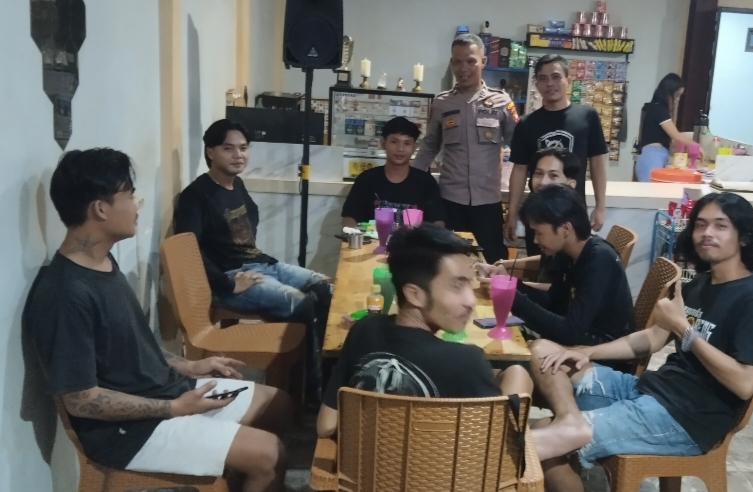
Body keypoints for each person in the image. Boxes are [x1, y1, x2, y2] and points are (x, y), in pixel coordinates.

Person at [26, 149, 293, 492]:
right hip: (129, 432)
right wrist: (174, 408)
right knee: (270, 455)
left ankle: (235, 472)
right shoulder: (66, 294)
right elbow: (81, 399)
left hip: (168, 393)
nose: (137, 204)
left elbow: (133, 346)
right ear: (101, 209)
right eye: (129, 195)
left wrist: (189, 367)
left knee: (278, 405)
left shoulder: (103, 263)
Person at [525, 192, 753, 491]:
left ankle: (568, 429)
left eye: (720, 226)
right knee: (544, 352)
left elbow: (745, 383)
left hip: (688, 418)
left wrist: (684, 330)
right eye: (700, 224)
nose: (707, 233)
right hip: (648, 391)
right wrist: (588, 352)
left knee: (543, 439)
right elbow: (653, 337)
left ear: (743, 237)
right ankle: (570, 421)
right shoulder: (700, 284)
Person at [316, 224, 533, 438]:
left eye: (470, 284)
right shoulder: (465, 362)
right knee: (518, 374)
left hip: (364, 459)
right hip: (441, 460)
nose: (471, 300)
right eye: (457, 286)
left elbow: (326, 426)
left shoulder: (363, 329)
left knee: (512, 373)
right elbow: (491, 449)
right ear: (414, 294)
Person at [174, 118, 332, 404]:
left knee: (326, 289)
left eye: (244, 148)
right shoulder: (195, 196)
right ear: (210, 152)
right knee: (302, 304)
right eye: (228, 148)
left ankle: (322, 375)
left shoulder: (237, 184)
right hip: (231, 277)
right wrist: (228, 284)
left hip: (262, 264)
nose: (238, 155)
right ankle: (311, 393)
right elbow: (189, 250)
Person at [412, 33, 518, 264]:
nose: (464, 68)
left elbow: (520, 151)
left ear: (483, 61)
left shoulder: (502, 102)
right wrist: (411, 184)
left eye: (470, 61)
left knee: (492, 263)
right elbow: (429, 146)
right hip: (450, 202)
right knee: (449, 263)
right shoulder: (442, 103)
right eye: (458, 62)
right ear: (451, 63)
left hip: (488, 204)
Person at [506, 184, 634, 355]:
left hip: (603, 351)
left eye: (538, 232)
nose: (535, 240)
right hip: (579, 339)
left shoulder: (599, 259)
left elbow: (571, 332)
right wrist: (510, 286)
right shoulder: (567, 252)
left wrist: (514, 298)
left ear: (565, 229)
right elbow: (553, 302)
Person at [506, 54, 609, 256]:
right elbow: (519, 170)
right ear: (536, 83)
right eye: (543, 78)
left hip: (574, 212)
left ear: (568, 80)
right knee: (541, 265)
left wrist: (600, 207)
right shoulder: (527, 124)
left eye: (555, 76)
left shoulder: (587, 116)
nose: (549, 83)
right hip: (538, 214)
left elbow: (597, 163)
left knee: (575, 266)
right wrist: (512, 213)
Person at [478, 148, 582, 284]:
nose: (543, 182)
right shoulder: (545, 216)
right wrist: (503, 264)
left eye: (553, 176)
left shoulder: (569, 224)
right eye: (538, 174)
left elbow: (558, 291)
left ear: (571, 184)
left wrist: (509, 284)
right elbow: (547, 262)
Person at [341, 117, 444, 228]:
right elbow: (349, 218)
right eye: (394, 142)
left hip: (413, 240)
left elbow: (437, 222)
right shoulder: (366, 179)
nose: (400, 149)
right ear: (383, 143)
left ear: (415, 147)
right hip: (371, 239)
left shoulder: (426, 182)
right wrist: (353, 233)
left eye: (407, 143)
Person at [634, 73, 702, 182]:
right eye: (677, 95)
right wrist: (695, 146)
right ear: (668, 92)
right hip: (652, 158)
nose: (677, 99)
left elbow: (672, 138)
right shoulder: (659, 109)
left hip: (653, 157)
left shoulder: (657, 108)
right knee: (652, 191)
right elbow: (676, 135)